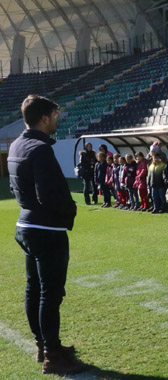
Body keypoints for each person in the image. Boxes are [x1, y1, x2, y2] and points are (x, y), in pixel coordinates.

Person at [9, 95, 86, 375]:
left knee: (35, 290)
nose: (57, 120)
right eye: (55, 115)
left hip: (26, 226)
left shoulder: (18, 144)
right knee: (50, 295)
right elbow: (50, 194)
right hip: (46, 230)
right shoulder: (40, 149)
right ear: (44, 118)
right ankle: (52, 355)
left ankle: (44, 345)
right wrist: (71, 211)